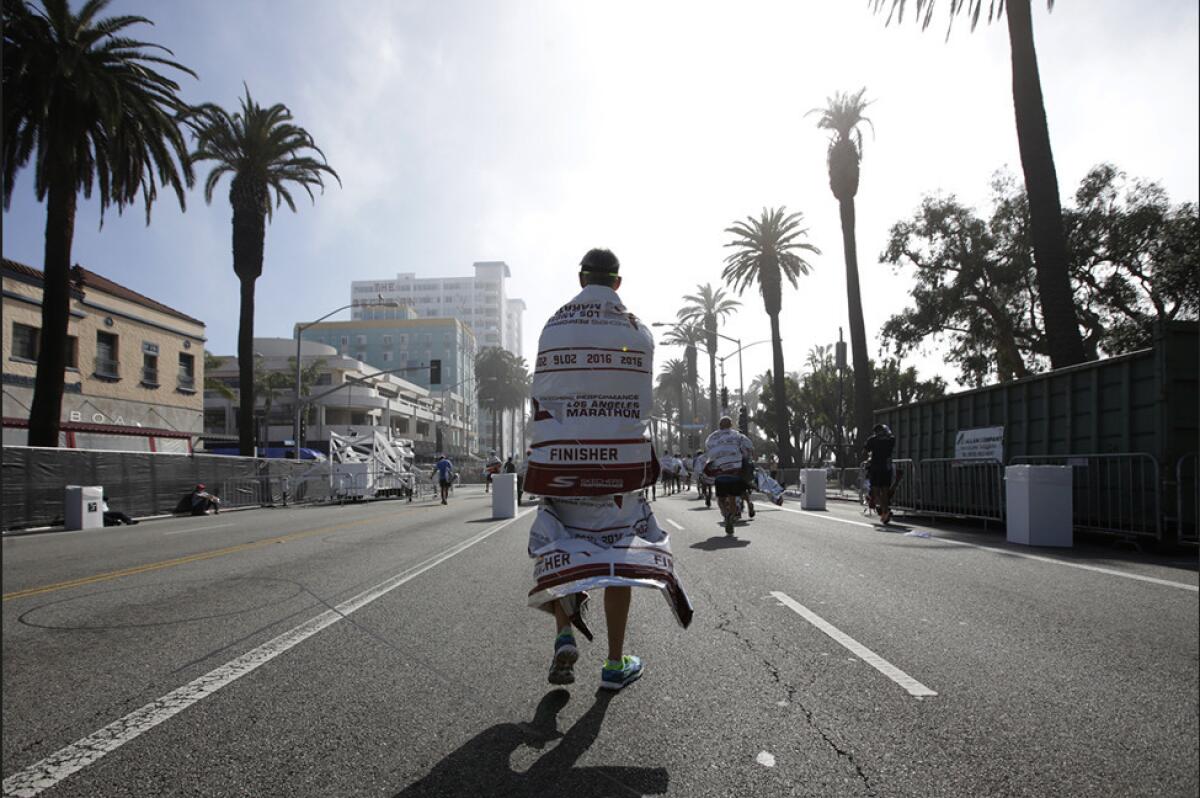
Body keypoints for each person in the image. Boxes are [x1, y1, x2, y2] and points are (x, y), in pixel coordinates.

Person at [525, 248, 692, 691]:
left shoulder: (553, 325)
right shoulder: (637, 331)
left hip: (563, 473)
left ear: (581, 278)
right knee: (619, 562)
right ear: (618, 282)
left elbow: (542, 395)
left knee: (561, 546)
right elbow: (640, 399)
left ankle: (563, 632)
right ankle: (615, 664)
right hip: (620, 476)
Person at [704, 416, 755, 535]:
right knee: (733, 497)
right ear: (731, 425)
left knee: (721, 499)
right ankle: (732, 516)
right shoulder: (738, 435)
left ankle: (726, 515)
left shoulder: (712, 437)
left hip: (721, 473)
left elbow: (709, 452)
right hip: (736, 472)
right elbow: (749, 448)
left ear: (720, 425)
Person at [864, 424, 896, 524]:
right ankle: (884, 511)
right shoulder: (890, 439)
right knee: (885, 491)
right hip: (886, 468)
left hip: (876, 469)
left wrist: (869, 457)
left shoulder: (872, 440)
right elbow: (891, 440)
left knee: (876, 492)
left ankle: (884, 512)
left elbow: (865, 451)